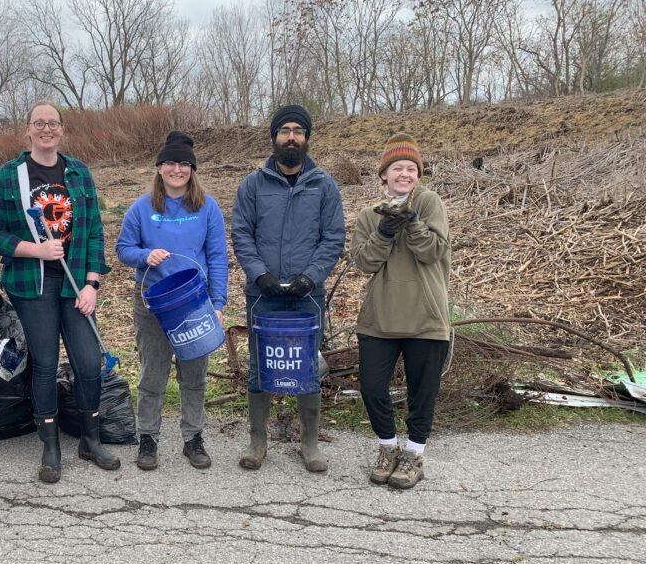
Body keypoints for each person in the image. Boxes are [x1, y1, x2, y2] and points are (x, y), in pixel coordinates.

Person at [0, 100, 118, 484]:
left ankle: (90, 439)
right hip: (31, 284)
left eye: (53, 123)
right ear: (28, 130)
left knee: (89, 363)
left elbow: (92, 232)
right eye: (38, 123)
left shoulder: (79, 173)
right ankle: (50, 446)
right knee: (44, 364)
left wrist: (92, 283)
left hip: (75, 282)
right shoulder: (10, 175)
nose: (46, 129)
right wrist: (35, 249)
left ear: (61, 130)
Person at [231, 105, 345, 472]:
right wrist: (259, 273)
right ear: (274, 138)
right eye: (285, 131)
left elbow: (333, 237)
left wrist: (311, 276)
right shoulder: (252, 184)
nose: (291, 137)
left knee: (307, 365)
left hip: (306, 294)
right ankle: (257, 441)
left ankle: (309, 444)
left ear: (307, 138)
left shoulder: (324, 185)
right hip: (262, 294)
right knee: (261, 366)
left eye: (298, 130)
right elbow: (241, 234)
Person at [116, 131, 228, 471]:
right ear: (159, 167)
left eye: (183, 164)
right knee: (153, 373)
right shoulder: (142, 207)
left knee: (193, 374)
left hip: (194, 302)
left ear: (192, 169)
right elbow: (123, 249)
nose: (177, 169)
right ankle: (148, 437)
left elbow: (218, 256)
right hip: (152, 302)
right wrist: (145, 255)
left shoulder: (207, 208)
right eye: (170, 163)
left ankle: (193, 437)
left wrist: (218, 303)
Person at [351, 133, 451, 490]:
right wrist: (383, 232)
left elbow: (433, 252)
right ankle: (387, 447)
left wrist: (411, 222)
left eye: (411, 168)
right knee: (372, 386)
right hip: (380, 317)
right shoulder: (368, 215)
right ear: (384, 175)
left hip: (425, 317)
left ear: (418, 174)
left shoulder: (430, 203)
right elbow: (363, 262)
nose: (404, 174)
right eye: (397, 168)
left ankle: (413, 454)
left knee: (422, 390)